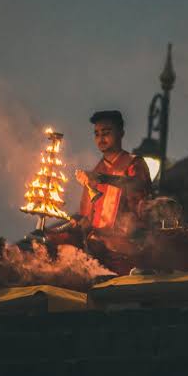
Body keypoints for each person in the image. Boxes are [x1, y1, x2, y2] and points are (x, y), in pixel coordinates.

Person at [47, 110, 152, 275]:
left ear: (121, 133)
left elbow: (137, 185)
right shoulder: (97, 171)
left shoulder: (134, 163)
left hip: (127, 250)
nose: (100, 139)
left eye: (106, 133)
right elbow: (86, 217)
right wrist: (65, 226)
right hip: (98, 250)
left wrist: (103, 179)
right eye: (96, 134)